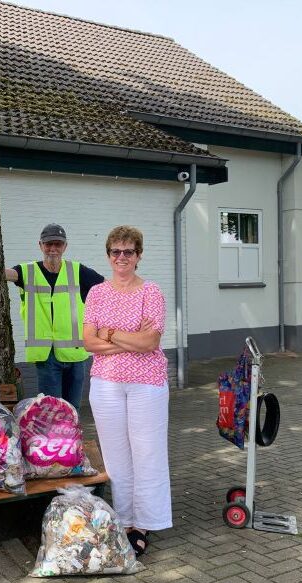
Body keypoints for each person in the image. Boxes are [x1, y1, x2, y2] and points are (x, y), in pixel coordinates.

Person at [82, 225, 171, 556]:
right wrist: (127, 340)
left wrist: (110, 333)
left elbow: (151, 342)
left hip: (146, 385)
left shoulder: (151, 292)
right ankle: (124, 519)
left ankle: (144, 523)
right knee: (117, 457)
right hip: (106, 385)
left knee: (146, 453)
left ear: (139, 255)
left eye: (128, 252)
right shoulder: (97, 293)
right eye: (116, 252)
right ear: (108, 256)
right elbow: (88, 342)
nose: (122, 257)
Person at [5, 224, 104, 410]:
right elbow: (6, 274)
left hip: (75, 355)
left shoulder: (78, 271)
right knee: (51, 411)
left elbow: (108, 288)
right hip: (46, 356)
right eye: (48, 244)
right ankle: (53, 439)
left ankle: (70, 439)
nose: (53, 249)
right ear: (40, 245)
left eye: (58, 244)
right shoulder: (27, 271)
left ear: (65, 246)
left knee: (72, 410)